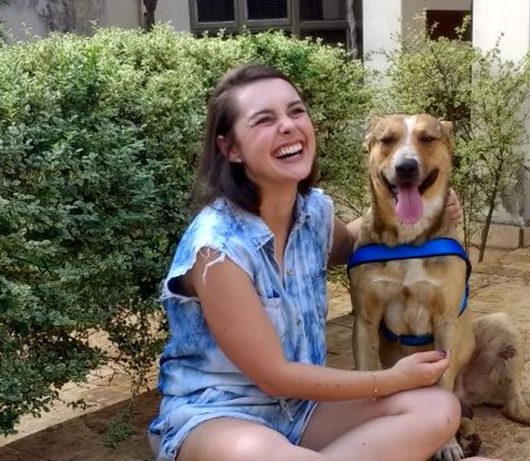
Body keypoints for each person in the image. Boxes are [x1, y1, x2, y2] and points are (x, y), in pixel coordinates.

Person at [148, 63, 500, 461]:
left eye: (295, 111)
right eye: (265, 119)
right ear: (230, 147)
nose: (287, 125)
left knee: (440, 409)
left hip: (300, 410)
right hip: (219, 417)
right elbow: (274, 376)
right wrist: (387, 380)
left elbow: (356, 242)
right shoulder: (217, 250)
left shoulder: (312, 213)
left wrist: (421, 211)